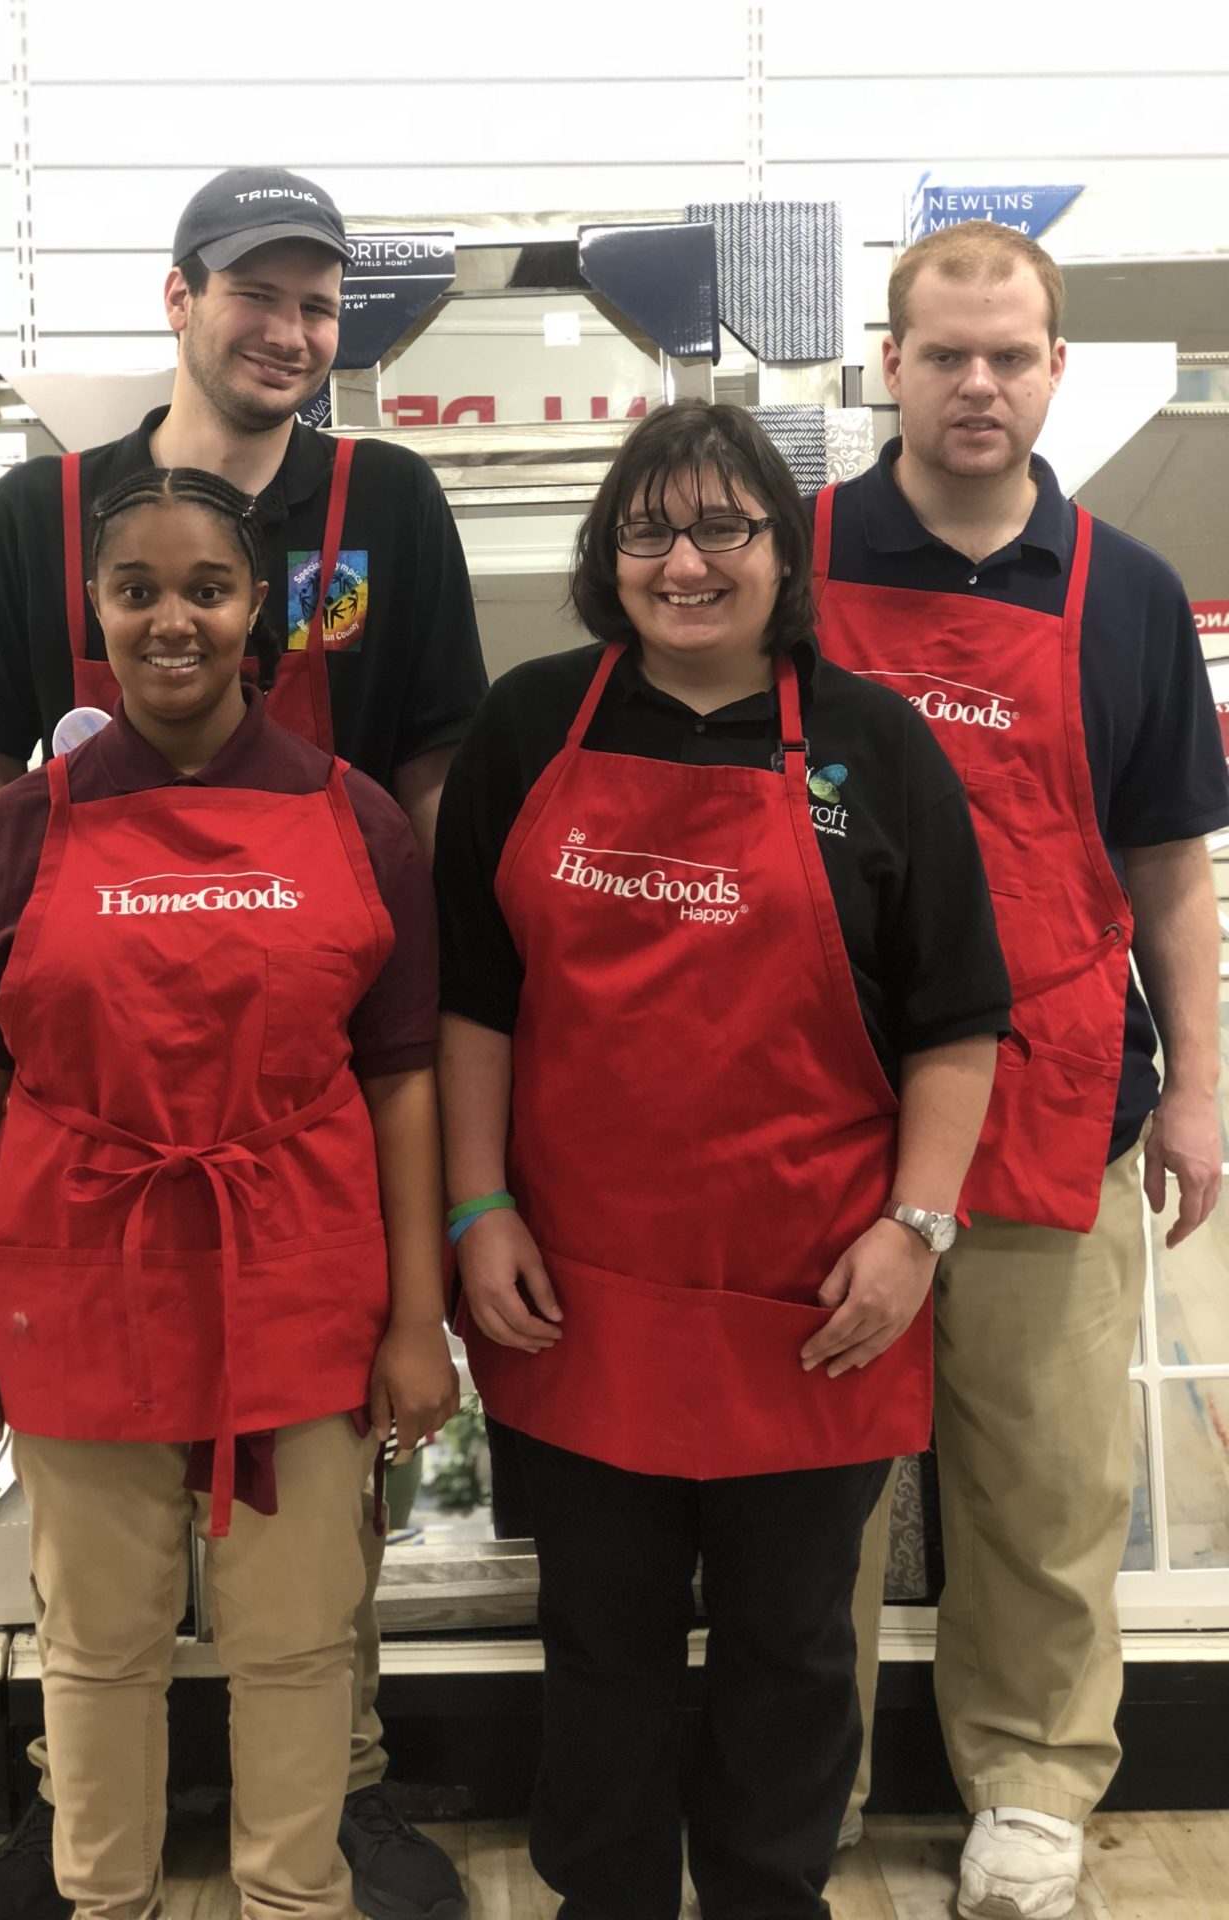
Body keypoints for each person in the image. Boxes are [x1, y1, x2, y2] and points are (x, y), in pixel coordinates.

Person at [0, 166, 484, 1920]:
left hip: (297, 1169)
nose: (291, 332)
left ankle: (322, 1839)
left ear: (263, 608)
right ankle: (100, 1856)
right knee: (98, 1622)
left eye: (321, 308)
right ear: (181, 298)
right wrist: (49, 902)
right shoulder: (39, 530)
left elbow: (429, 798)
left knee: (305, 1624)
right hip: (92, 1187)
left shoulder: (388, 501)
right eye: (261, 296)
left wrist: (418, 1292)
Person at [434, 400, 1011, 1920]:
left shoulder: (876, 746)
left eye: (722, 529)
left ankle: (772, 1894)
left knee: (795, 1643)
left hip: (812, 1288)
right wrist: (479, 1207)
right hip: (579, 1287)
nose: (684, 562)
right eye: (648, 530)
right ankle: (605, 1897)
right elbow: (475, 1006)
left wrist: (916, 1233)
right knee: (601, 1635)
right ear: (608, 553)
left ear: (781, 548)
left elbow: (959, 1024)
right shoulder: (529, 725)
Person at [815, 220, 1228, 1920]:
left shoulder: (1122, 590)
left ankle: (1034, 1794)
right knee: (811, 1489)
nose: (976, 384)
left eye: (1009, 356)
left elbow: (1170, 866)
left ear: (1055, 368)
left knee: (1049, 1487)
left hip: (1060, 1096)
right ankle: (799, 1787)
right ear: (890, 365)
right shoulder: (791, 555)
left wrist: (1200, 1085)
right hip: (824, 1101)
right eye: (943, 353)